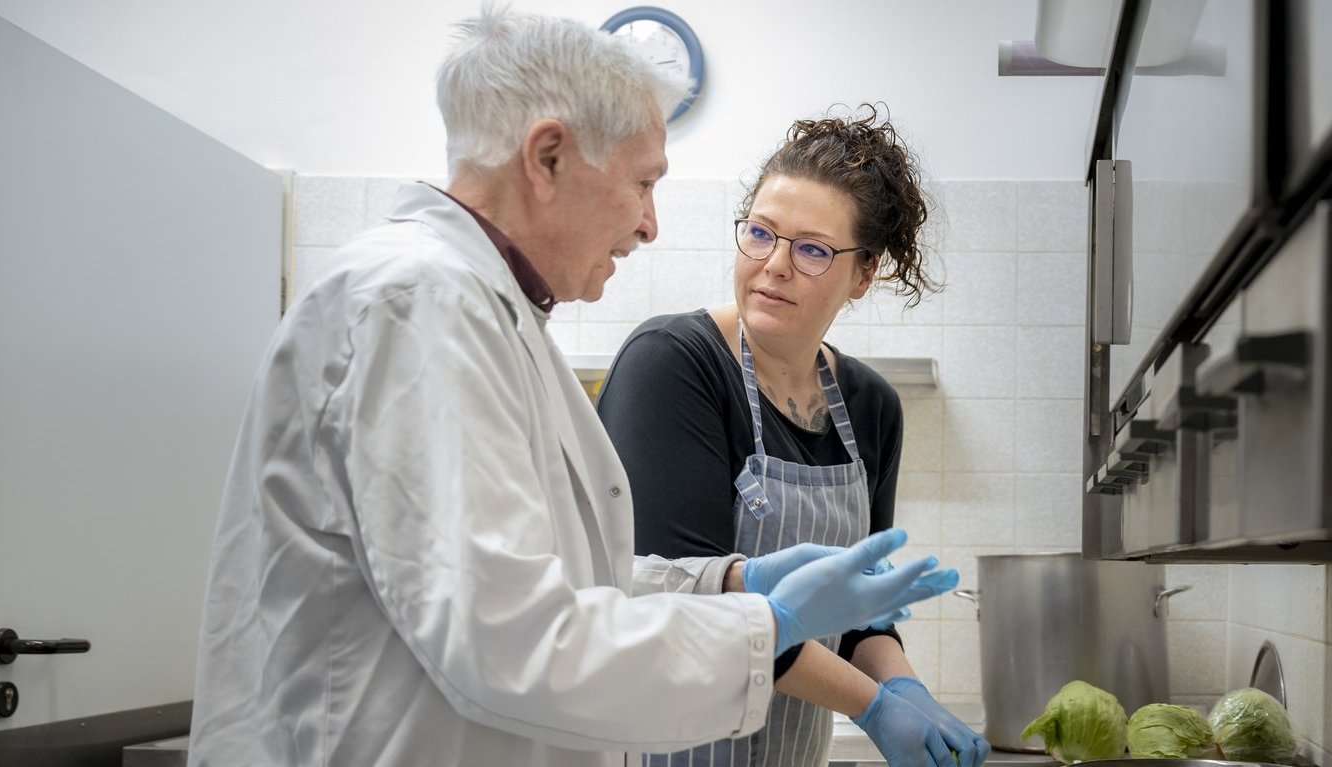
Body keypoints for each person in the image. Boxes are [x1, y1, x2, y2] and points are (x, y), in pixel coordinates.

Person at [188, 9, 955, 767]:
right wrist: (768, 621)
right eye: (643, 182)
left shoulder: (492, 317)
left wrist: (734, 578)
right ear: (548, 157)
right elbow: (512, 643)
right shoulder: (415, 305)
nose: (650, 224)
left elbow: (568, 582)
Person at [595, 106, 990, 767]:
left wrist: (905, 688)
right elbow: (695, 606)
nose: (774, 264)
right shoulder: (673, 363)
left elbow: (859, 610)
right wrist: (872, 704)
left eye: (811, 249)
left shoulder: (871, 408)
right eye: (760, 233)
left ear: (864, 274)